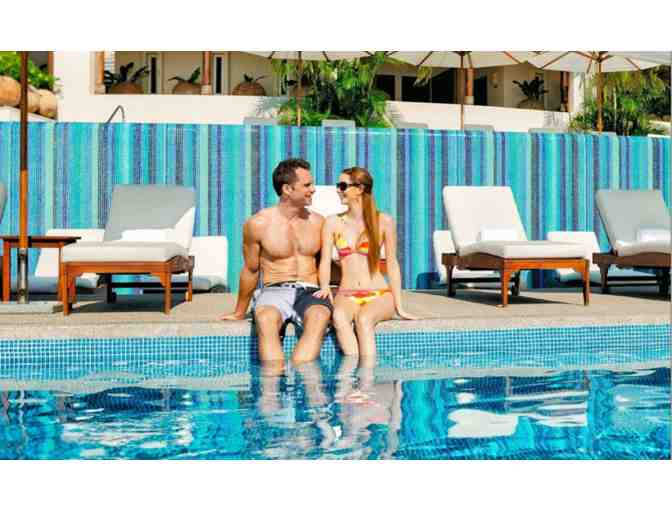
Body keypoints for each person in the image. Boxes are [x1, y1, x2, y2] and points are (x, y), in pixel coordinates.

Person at [220, 158, 333, 365]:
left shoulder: (318, 222)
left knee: (319, 317)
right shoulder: (258, 224)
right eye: (307, 185)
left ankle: (302, 373)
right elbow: (251, 270)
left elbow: (326, 264)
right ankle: (272, 382)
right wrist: (239, 311)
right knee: (265, 319)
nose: (313, 189)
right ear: (287, 189)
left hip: (310, 291)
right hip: (275, 289)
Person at [313, 166, 417, 362]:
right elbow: (325, 260)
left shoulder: (384, 221)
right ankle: (350, 374)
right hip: (347, 293)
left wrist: (399, 306)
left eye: (342, 186)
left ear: (359, 189)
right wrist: (325, 286)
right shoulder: (333, 222)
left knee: (364, 319)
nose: (338, 190)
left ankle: (367, 376)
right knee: (339, 317)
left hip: (379, 293)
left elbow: (392, 264)